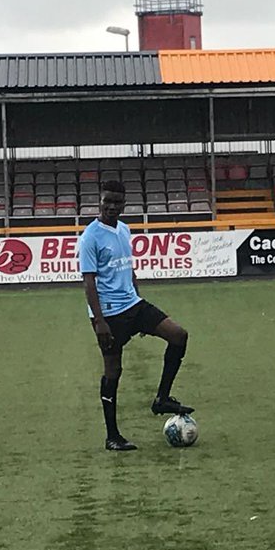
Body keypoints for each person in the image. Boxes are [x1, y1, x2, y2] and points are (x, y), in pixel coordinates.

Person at [80, 180, 194, 451]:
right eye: (107, 201)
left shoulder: (124, 229)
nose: (111, 206)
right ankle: (112, 437)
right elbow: (89, 282)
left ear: (124, 204)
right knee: (113, 372)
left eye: (117, 202)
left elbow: (128, 269)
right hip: (109, 315)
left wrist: (139, 299)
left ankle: (162, 399)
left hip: (133, 305)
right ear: (100, 201)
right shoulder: (90, 237)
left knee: (178, 335)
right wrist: (99, 322)